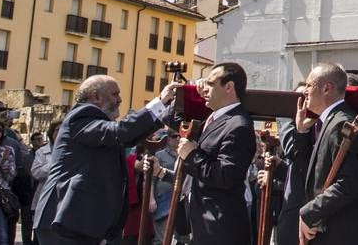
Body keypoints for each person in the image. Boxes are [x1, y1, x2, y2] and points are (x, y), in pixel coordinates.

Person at [32, 75, 181, 245]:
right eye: (115, 94)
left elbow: (127, 136)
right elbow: (120, 132)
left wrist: (165, 109)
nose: (120, 100)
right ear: (96, 96)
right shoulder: (81, 116)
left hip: (78, 220)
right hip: (64, 219)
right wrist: (159, 102)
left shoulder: (95, 121)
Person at [172, 62, 256, 245]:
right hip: (203, 223)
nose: (205, 88)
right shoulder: (215, 116)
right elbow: (177, 120)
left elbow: (225, 175)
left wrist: (191, 155)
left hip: (220, 227)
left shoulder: (238, 125)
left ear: (229, 87)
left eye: (211, 84)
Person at [296, 63, 358, 245]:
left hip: (340, 233)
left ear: (327, 88)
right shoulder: (330, 122)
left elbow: (349, 183)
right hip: (326, 229)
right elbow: (308, 168)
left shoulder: (341, 124)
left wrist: (310, 212)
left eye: (309, 85)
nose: (305, 91)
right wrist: (301, 131)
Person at [266, 85, 313, 245]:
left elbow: (297, 155)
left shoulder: (315, 126)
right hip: (291, 213)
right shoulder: (292, 123)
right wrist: (278, 167)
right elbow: (295, 157)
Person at [148, 132, 179, 243]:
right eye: (174, 136)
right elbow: (151, 179)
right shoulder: (160, 155)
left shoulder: (184, 155)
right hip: (162, 203)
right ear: (168, 138)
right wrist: (150, 199)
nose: (177, 138)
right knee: (162, 239)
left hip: (179, 204)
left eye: (179, 135)